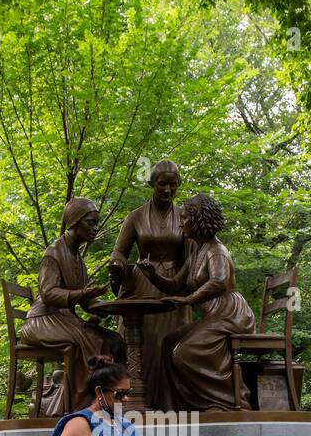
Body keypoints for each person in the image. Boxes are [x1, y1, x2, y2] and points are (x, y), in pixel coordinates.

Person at [138, 193, 255, 411]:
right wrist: (152, 275)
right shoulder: (196, 252)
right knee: (169, 342)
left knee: (184, 351)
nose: (180, 223)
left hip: (230, 314)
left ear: (199, 219)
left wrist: (188, 300)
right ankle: (176, 407)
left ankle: (227, 400)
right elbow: (175, 285)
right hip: (215, 316)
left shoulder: (216, 251)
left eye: (184, 218)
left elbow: (219, 282)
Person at [20, 197, 126, 416]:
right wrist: (82, 294)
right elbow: (48, 293)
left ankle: (111, 398)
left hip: (64, 318)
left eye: (97, 223)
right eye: (90, 223)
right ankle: (82, 405)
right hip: (42, 320)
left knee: (112, 339)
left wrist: (106, 305)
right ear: (74, 222)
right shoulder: (54, 253)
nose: (95, 229)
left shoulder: (78, 259)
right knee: (83, 340)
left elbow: (86, 302)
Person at [109, 159, 189, 408]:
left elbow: (192, 254)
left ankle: (169, 402)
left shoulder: (184, 216)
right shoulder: (135, 217)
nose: (168, 190)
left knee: (172, 342)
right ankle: (134, 400)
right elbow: (119, 252)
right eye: (162, 184)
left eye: (173, 185)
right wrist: (117, 265)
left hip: (173, 284)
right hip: (143, 283)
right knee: (142, 340)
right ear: (152, 183)